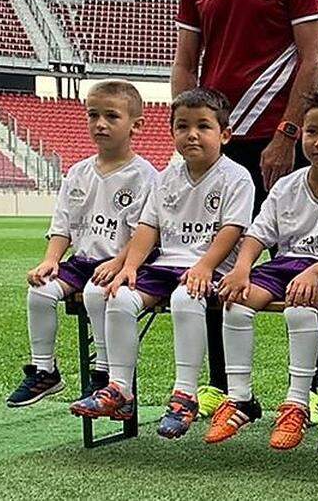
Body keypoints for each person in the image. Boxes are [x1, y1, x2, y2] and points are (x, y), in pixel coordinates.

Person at [172, 0, 318, 417]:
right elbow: (186, 64)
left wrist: (288, 133)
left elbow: (312, 60)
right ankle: (224, 388)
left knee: (296, 260)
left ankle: (303, 391)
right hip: (220, 144)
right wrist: (186, 128)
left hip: (277, 140)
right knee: (209, 260)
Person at [69, 88, 255, 438]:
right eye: (182, 126)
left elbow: (233, 229)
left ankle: (185, 394)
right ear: (171, 134)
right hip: (167, 264)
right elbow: (148, 227)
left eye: (203, 126)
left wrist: (203, 266)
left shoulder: (236, 176)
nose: (192, 134)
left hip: (214, 268)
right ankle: (119, 389)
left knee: (187, 298)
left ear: (225, 135)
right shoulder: (165, 177)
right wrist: (129, 267)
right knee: (118, 295)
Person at [207, 91, 318, 450]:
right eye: (313, 132)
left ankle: (297, 402)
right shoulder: (286, 185)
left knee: (301, 303)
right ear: (301, 135)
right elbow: (258, 233)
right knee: (235, 299)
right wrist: (241, 268)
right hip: (285, 265)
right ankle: (240, 399)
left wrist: (314, 273)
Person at [7, 81, 156, 409]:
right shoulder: (78, 172)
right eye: (93, 115)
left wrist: (118, 264)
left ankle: (106, 377)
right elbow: (62, 226)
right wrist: (51, 260)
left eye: (111, 116)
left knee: (97, 291)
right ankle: (45, 371)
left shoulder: (145, 176)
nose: (100, 123)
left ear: (136, 125)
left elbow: (145, 233)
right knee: (40, 289)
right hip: (83, 260)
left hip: (124, 262)